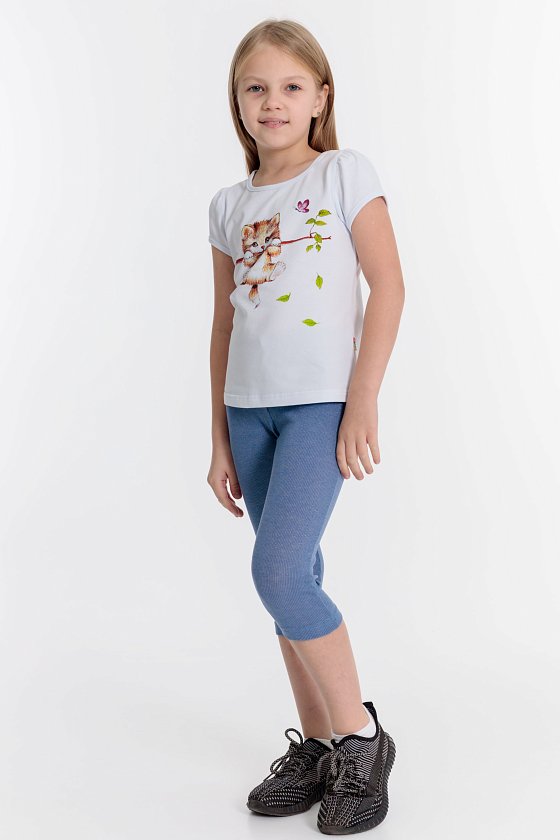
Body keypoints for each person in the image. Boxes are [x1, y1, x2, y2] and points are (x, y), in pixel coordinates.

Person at [206, 18, 405, 836]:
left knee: (279, 571)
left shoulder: (342, 173)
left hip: (320, 402)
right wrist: (218, 435)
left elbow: (388, 285)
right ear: (237, 102)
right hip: (247, 410)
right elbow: (223, 324)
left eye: (291, 86)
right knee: (292, 576)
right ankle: (320, 745)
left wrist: (363, 397)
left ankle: (361, 737)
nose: (273, 101)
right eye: (256, 87)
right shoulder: (228, 204)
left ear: (321, 97)